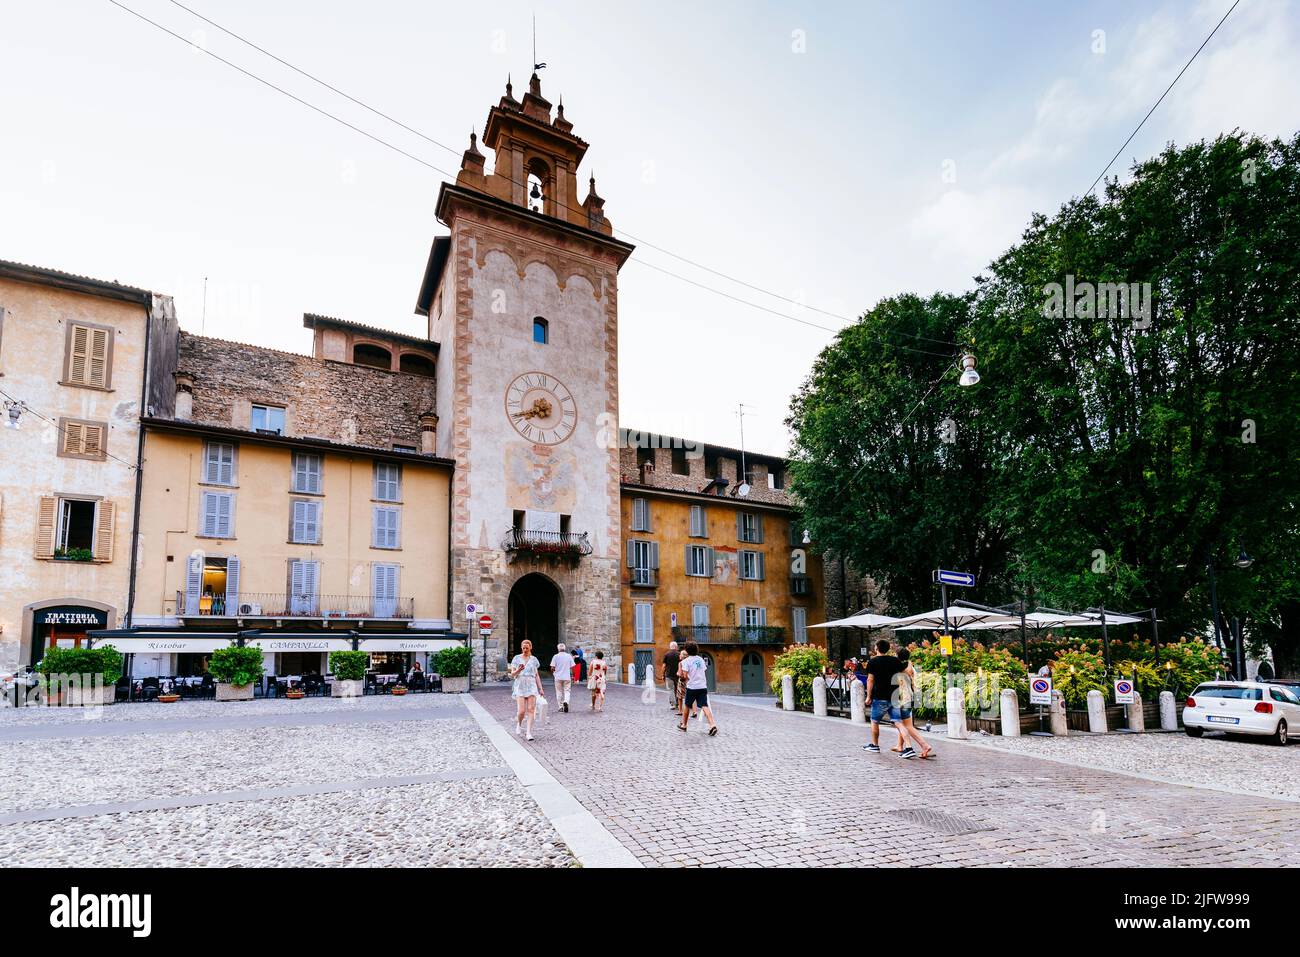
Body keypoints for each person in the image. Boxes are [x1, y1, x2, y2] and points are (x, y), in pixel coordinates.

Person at [862, 639, 902, 754]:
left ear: (876, 648)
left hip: (879, 696)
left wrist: (868, 696)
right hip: (894, 695)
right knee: (898, 722)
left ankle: (875, 745)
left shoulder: (873, 662)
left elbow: (870, 679)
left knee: (874, 721)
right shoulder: (895, 661)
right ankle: (907, 746)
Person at [891, 648, 932, 759]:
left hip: (903, 697)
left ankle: (925, 745)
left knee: (907, 725)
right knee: (904, 723)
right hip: (910, 696)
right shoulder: (910, 667)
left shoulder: (899, 667)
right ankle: (899, 745)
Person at [676, 642, 718, 736]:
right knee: (704, 706)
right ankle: (712, 724)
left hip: (692, 687)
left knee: (687, 705)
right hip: (702, 686)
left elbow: (685, 676)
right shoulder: (700, 659)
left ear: (687, 650)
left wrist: (681, 676)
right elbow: (703, 670)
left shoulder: (685, 662)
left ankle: (684, 725)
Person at [508, 639, 545, 741]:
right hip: (520, 685)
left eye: (527, 648)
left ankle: (529, 732)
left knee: (531, 710)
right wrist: (518, 670)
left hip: (531, 685)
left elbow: (537, 675)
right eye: (523, 648)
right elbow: (512, 674)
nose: (525, 650)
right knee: (521, 711)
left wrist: (540, 688)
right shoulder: (516, 658)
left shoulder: (534, 660)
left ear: (530, 648)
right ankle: (519, 724)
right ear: (521, 648)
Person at [550, 643, 575, 713]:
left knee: (559, 692)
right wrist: (573, 675)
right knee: (567, 691)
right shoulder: (569, 656)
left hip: (558, 677)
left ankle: (560, 707)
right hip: (567, 676)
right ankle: (566, 701)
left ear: (558, 649)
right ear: (565, 649)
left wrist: (554, 672)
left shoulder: (555, 656)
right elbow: (573, 667)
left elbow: (552, 667)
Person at [661, 641, 682, 713]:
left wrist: (663, 674)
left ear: (670, 647)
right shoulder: (679, 654)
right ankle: (678, 704)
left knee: (670, 689)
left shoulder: (666, 654)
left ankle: (673, 704)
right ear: (676, 647)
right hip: (678, 675)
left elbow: (664, 666)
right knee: (677, 689)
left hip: (669, 675)